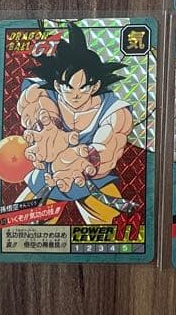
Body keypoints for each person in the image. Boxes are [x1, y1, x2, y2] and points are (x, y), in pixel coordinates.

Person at [16, 24, 134, 225]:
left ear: (95, 86)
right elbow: (38, 107)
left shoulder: (114, 110)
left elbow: (109, 145)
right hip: (49, 177)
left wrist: (87, 158)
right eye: (68, 87)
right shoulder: (44, 94)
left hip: (91, 180)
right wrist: (47, 127)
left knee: (112, 228)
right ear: (57, 85)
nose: (76, 95)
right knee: (21, 226)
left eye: (84, 87)